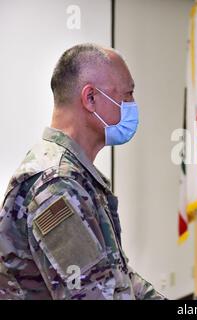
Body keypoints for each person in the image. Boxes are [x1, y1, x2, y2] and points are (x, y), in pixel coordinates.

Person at [0, 44, 165, 299]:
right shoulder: (56, 186)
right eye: (128, 94)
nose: (132, 105)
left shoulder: (75, 175)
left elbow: (114, 277)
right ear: (90, 98)